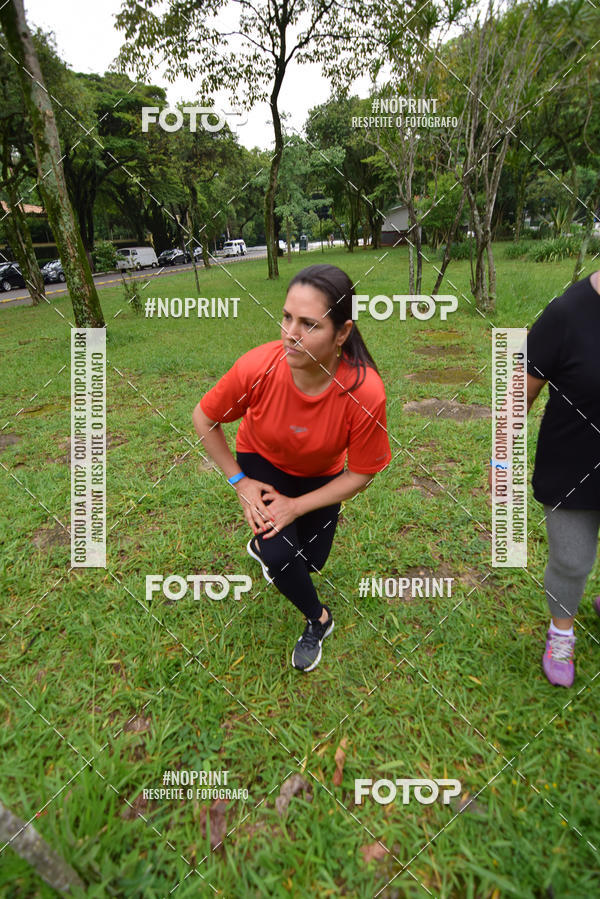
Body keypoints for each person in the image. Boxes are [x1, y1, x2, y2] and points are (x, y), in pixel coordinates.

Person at [192, 264, 391, 672]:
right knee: (283, 557)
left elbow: (362, 473)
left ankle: (265, 545)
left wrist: (296, 507)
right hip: (262, 462)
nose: (290, 334)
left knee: (312, 560)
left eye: (309, 324)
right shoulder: (257, 367)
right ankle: (318, 619)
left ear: (342, 333)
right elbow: (204, 418)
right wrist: (241, 483)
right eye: (286, 317)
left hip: (320, 474)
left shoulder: (364, 390)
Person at [490, 271, 600, 687]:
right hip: (572, 467)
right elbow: (521, 392)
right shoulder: (565, 313)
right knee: (572, 560)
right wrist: (501, 459)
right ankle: (561, 634)